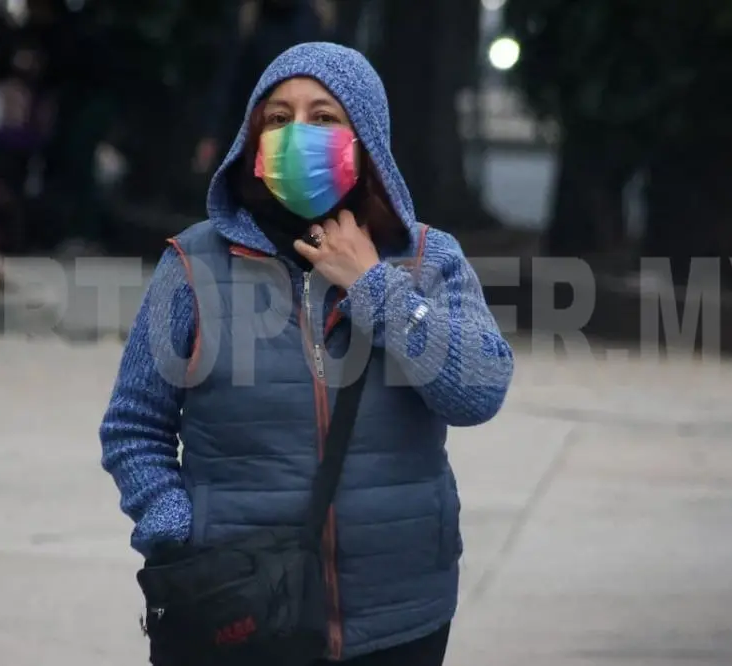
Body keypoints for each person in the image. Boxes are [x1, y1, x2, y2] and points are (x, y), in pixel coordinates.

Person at [100, 42, 514, 666]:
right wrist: (175, 530)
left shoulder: (428, 260)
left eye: (324, 118)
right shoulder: (192, 265)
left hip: (401, 613)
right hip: (237, 609)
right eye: (278, 118)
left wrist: (373, 284)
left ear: (365, 140)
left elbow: (478, 390)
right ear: (253, 144)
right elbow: (133, 426)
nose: (298, 134)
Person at [192, 0, 336, 174]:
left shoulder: (316, 21)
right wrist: (211, 134)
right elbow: (226, 81)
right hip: (248, 135)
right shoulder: (250, 19)